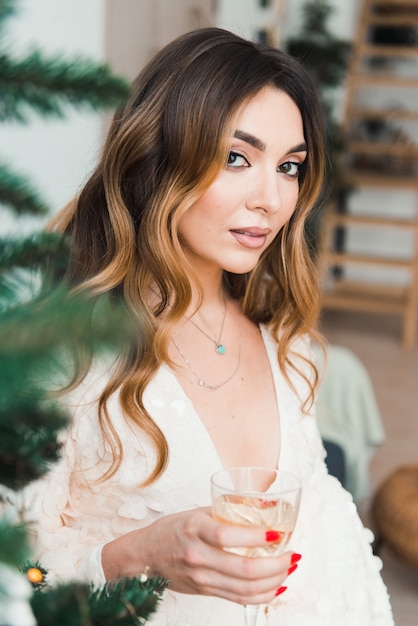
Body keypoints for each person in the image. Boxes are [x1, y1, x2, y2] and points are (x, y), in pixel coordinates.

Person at [26, 27, 393, 625]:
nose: (272, 199)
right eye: (236, 158)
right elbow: (21, 574)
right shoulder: (66, 356)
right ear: (159, 157)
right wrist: (134, 557)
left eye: (290, 167)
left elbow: (332, 544)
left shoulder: (285, 342)